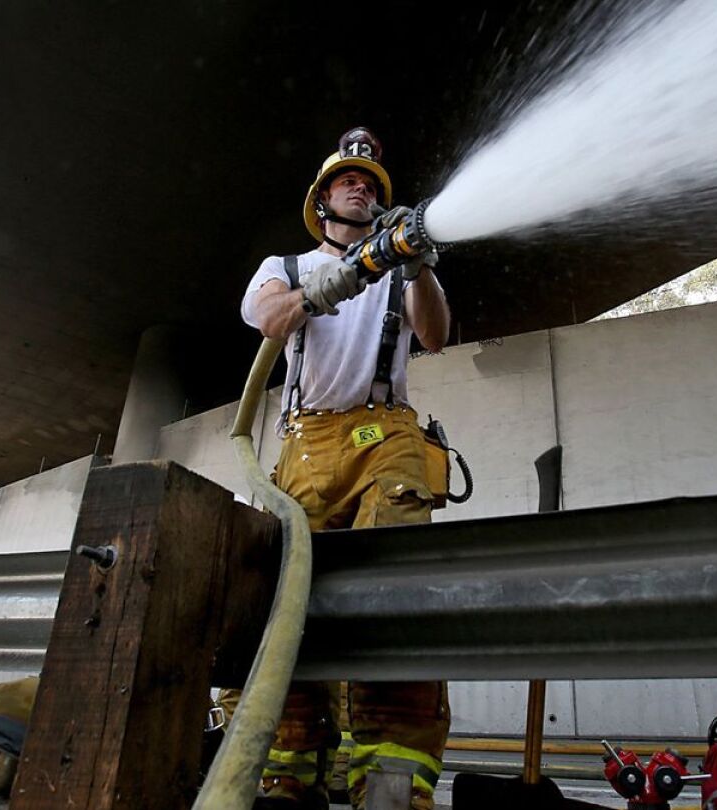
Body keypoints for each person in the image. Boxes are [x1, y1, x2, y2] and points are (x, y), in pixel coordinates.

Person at [236, 126, 451, 810]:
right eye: (349, 181)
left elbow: (437, 335)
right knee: (291, 606)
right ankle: (290, 776)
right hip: (304, 446)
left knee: (391, 594)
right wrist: (359, 267)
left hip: (381, 431)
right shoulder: (287, 265)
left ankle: (389, 782)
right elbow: (269, 319)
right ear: (323, 200)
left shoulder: (404, 267)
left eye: (372, 184)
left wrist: (413, 264)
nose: (362, 187)